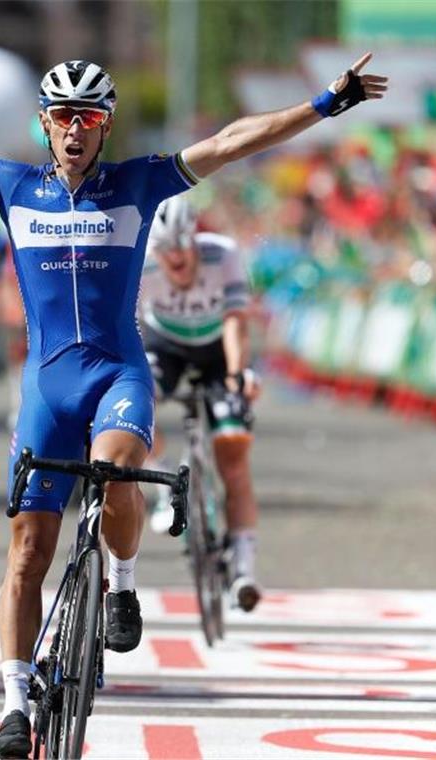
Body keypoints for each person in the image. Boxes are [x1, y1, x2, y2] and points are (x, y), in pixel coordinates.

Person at [0, 48, 387, 758]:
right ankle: (12, 699)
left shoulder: (140, 183)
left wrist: (325, 103)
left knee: (117, 471)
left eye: (88, 117)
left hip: (118, 374)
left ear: (105, 126)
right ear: (44, 123)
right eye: (62, 116)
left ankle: (120, 583)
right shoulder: (10, 185)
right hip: (47, 387)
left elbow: (232, 142)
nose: (74, 130)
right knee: (28, 549)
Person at [138, 195, 263, 612]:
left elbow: (235, 323)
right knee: (137, 404)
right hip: (165, 345)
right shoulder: (141, 264)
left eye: (182, 246)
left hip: (215, 350)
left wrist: (236, 374)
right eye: (165, 250)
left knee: (233, 453)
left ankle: (244, 566)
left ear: (196, 239)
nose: (176, 257)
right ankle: (160, 487)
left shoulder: (222, 255)